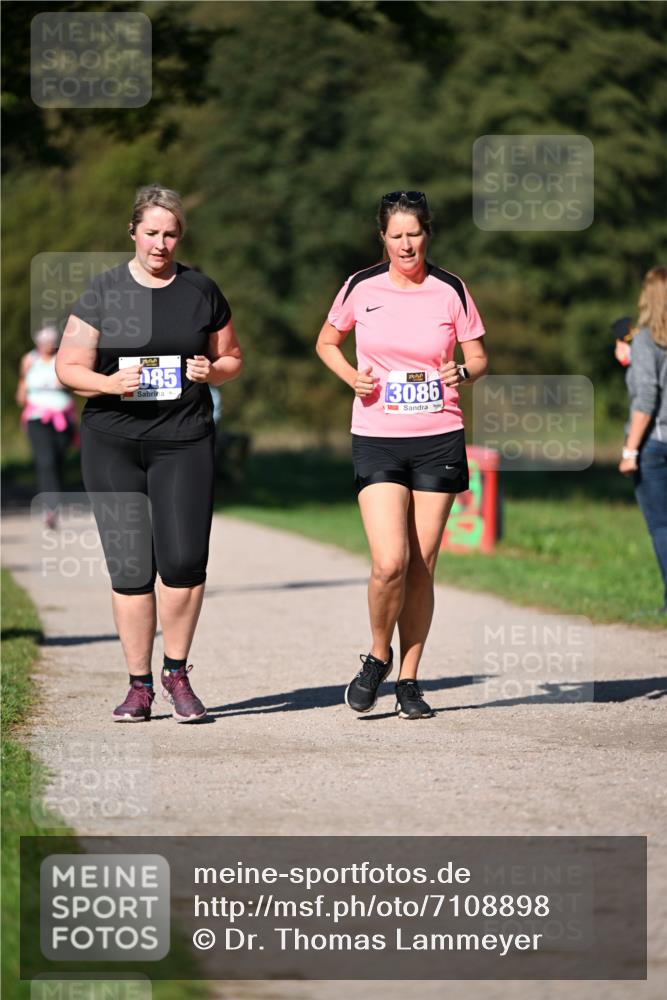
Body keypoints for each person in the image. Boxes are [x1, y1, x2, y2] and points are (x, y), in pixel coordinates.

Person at [56, 184, 242, 721]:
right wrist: (109, 384)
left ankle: (176, 674)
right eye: (152, 232)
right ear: (133, 232)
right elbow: (67, 367)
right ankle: (138, 687)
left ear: (180, 237)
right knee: (131, 568)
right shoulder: (105, 291)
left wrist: (212, 370)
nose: (161, 244)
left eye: (171, 234)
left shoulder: (201, 290)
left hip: (183, 440)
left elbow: (231, 357)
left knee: (183, 562)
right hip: (113, 443)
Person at [316, 190, 488, 719]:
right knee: (390, 561)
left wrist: (461, 371)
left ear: (427, 233)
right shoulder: (360, 286)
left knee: (421, 565)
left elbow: (478, 357)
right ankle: (377, 655)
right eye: (396, 236)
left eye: (414, 233)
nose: (406, 245)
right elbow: (326, 342)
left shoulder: (451, 289)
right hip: (378, 434)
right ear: (383, 238)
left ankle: (409, 680)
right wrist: (352, 377)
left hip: (438, 435)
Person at [618, 265, 667, 612]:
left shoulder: (648, 339)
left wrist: (630, 450)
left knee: (662, 526)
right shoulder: (643, 343)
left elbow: (647, 398)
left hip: (655, 443)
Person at [16, 325, 78, 530]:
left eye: (51, 341)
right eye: (44, 341)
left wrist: (65, 383)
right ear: (38, 342)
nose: (47, 345)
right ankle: (49, 508)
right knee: (46, 461)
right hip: (37, 418)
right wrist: (22, 394)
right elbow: (22, 390)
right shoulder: (29, 360)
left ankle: (55, 502)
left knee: (58, 462)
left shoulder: (64, 359)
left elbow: (77, 384)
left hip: (62, 419)